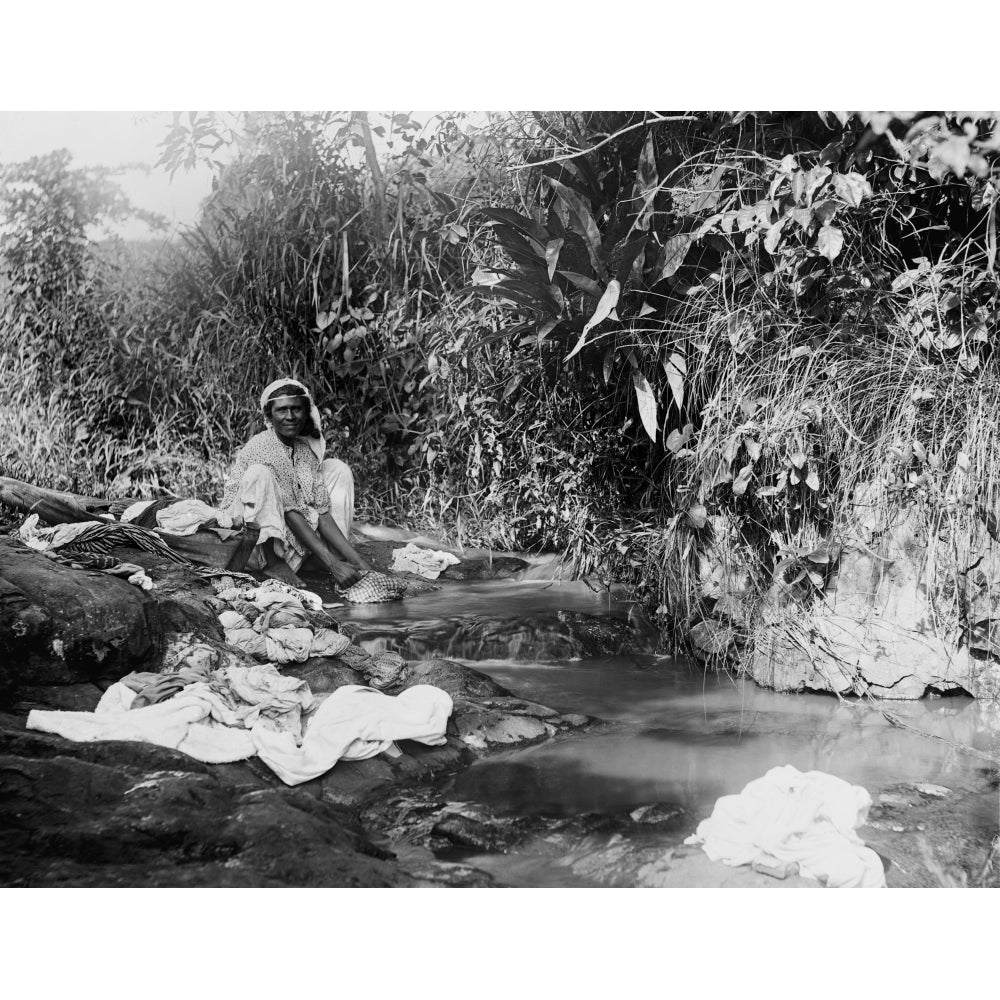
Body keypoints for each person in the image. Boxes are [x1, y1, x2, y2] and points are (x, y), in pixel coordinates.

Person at [221, 378, 371, 587]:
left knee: (337, 467)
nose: (289, 416)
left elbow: (322, 512)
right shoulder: (261, 446)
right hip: (250, 542)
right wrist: (333, 565)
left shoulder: (304, 451)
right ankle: (273, 564)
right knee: (259, 473)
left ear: (305, 413)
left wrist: (360, 562)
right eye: (282, 410)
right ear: (269, 416)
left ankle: (322, 559)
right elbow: (290, 514)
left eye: (296, 409)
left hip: (287, 536)